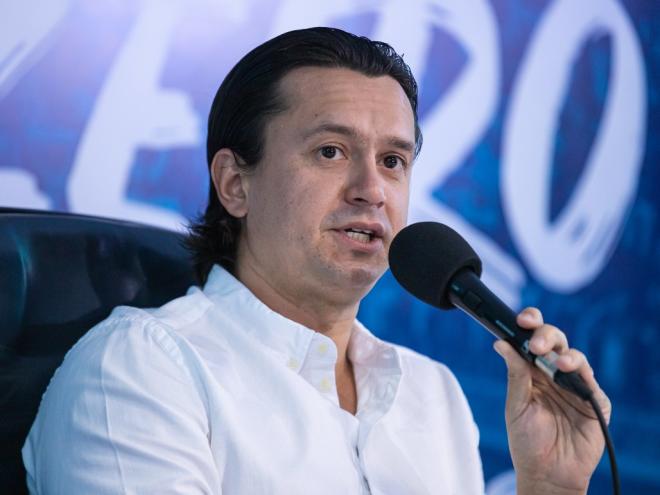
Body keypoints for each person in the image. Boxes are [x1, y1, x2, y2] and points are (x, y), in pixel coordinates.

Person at [23, 27, 610, 494]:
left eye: (393, 162)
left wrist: (548, 488)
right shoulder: (141, 370)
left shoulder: (434, 395)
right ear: (234, 184)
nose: (371, 190)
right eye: (330, 151)